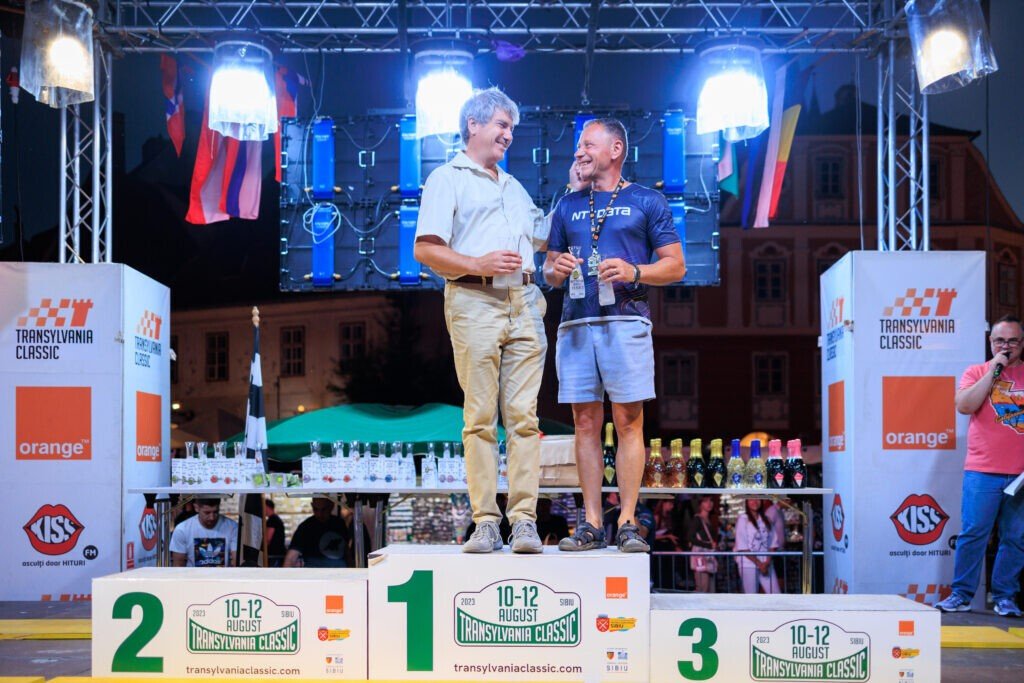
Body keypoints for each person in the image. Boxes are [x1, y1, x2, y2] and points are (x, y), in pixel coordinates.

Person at [414, 87, 550, 554]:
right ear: (473, 124)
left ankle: (525, 520)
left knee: (525, 419)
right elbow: (425, 248)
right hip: (474, 300)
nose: (509, 135)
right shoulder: (446, 178)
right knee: (479, 419)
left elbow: (545, 235)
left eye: (512, 128)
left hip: (525, 300)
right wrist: (478, 262)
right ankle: (486, 521)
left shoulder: (513, 186)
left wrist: (575, 189)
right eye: (501, 125)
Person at [545, 117, 686, 553]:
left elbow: (676, 266)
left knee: (628, 422)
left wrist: (634, 270)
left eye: (588, 145)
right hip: (575, 323)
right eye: (578, 146)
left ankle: (626, 521)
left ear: (616, 149)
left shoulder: (647, 200)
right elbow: (548, 270)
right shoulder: (567, 205)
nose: (579, 152)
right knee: (584, 423)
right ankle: (590, 523)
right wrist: (555, 269)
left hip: (626, 321)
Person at [937, 315, 1024, 617]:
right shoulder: (976, 372)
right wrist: (993, 371)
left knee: (1015, 538)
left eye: (1012, 341)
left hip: (1021, 475)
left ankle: (1005, 597)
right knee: (973, 534)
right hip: (983, 470)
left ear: (1022, 343)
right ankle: (961, 595)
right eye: (1000, 341)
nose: (1006, 346)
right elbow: (965, 405)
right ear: (990, 342)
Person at [284, 495, 351, 568]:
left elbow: (346, 551)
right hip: (315, 573)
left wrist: (352, 569)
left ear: (331, 506)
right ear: (312, 506)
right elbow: (291, 557)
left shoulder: (339, 524)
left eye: (324, 509)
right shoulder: (306, 527)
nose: (320, 514)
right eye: (316, 509)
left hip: (340, 572)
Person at [169, 497, 238, 567]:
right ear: (196, 508)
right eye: (207, 513)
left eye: (215, 512)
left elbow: (236, 561)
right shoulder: (182, 529)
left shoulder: (232, 527)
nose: (212, 517)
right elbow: (178, 564)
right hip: (193, 574)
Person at [734, 498, 780, 594]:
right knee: (752, 596)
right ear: (747, 502)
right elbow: (742, 547)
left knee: (776, 594)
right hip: (748, 565)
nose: (755, 502)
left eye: (758, 499)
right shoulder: (743, 519)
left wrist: (766, 563)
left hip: (766, 563)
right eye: (751, 499)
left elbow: (773, 544)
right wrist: (759, 564)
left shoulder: (767, 519)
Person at [689, 495, 720, 593]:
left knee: (709, 588)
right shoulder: (697, 519)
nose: (709, 503)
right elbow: (691, 538)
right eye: (705, 501)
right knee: (703, 587)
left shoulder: (708, 519)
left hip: (707, 555)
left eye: (711, 501)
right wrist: (709, 545)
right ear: (700, 504)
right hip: (701, 556)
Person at [264, 498, 287, 566]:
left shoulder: (272, 520)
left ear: (267, 507)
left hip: (274, 554)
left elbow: (268, 538)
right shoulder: (275, 519)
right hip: (278, 553)